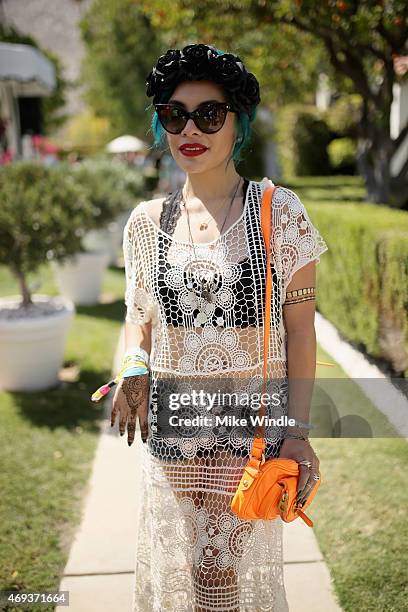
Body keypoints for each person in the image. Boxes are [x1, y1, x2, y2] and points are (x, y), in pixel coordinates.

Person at [110, 43, 329, 612]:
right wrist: (135, 368)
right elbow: (141, 323)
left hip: (251, 426)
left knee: (218, 573)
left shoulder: (278, 212)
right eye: (173, 114)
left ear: (239, 123)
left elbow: (301, 332)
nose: (190, 129)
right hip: (175, 430)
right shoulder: (146, 224)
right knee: (191, 563)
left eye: (209, 114)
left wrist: (299, 431)